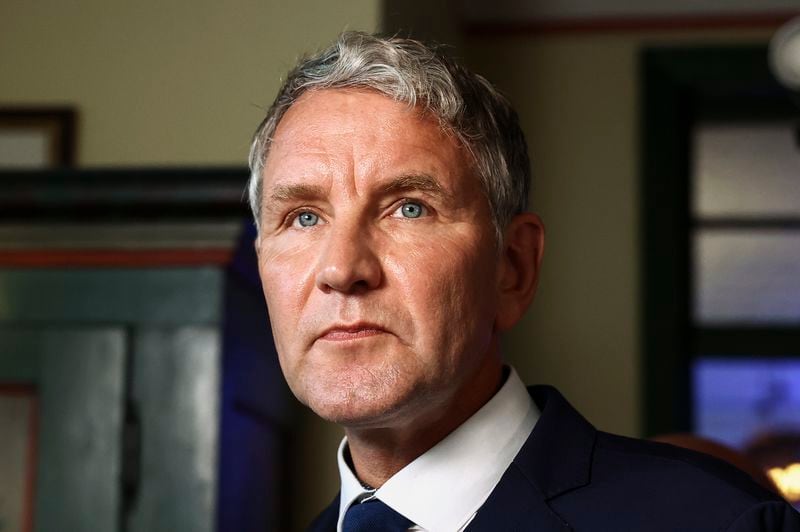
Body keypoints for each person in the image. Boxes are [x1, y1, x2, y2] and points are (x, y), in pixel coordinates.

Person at [248, 31, 800, 531]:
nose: (342, 270)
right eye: (303, 217)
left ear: (513, 267)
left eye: (408, 209)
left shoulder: (717, 522)